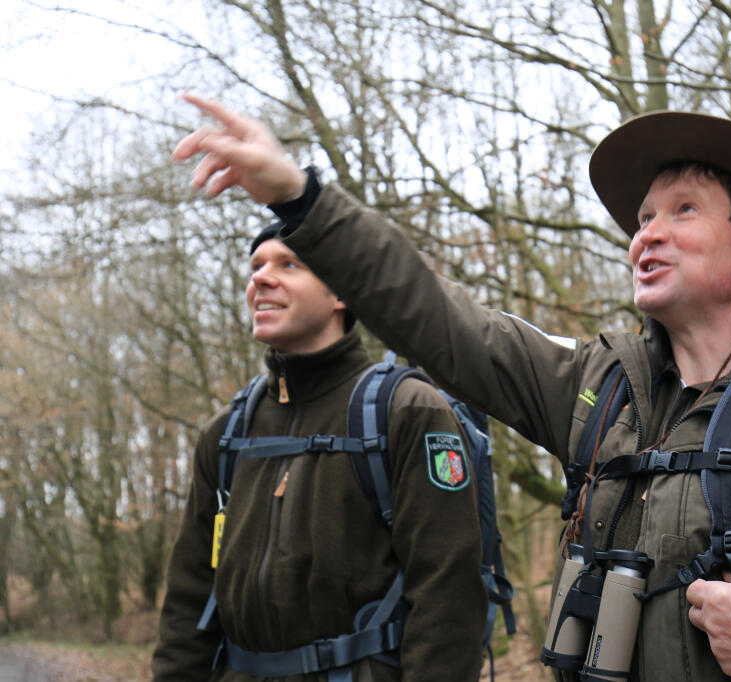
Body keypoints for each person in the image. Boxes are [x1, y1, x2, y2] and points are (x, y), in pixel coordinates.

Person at [172, 93, 731, 681]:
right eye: (642, 218)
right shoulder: (597, 387)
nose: (645, 234)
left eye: (682, 210)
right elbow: (437, 318)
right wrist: (300, 198)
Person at [151, 217, 487, 681]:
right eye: (256, 265)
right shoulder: (226, 433)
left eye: (289, 264)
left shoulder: (406, 412)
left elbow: (448, 598)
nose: (261, 278)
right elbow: (188, 602)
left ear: (341, 292)